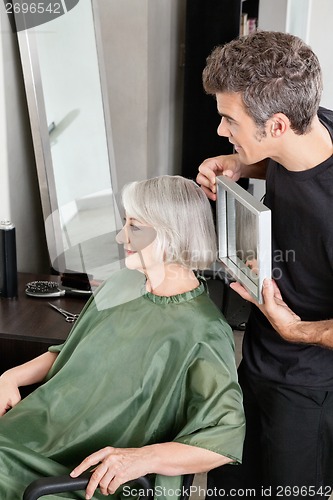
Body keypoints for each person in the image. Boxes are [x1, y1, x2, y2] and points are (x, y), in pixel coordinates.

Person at [0, 175, 245, 500]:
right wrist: (10, 376)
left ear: (171, 234)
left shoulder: (204, 331)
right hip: (43, 431)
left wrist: (141, 459)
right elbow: (72, 351)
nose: (121, 236)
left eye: (135, 226)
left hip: (94, 472)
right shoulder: (120, 284)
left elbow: (226, 435)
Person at [196, 30, 333, 499]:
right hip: (256, 357)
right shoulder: (314, 125)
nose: (221, 131)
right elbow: (292, 164)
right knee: (229, 487)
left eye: (228, 121)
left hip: (308, 391)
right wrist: (239, 164)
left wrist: (299, 331)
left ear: (275, 125)